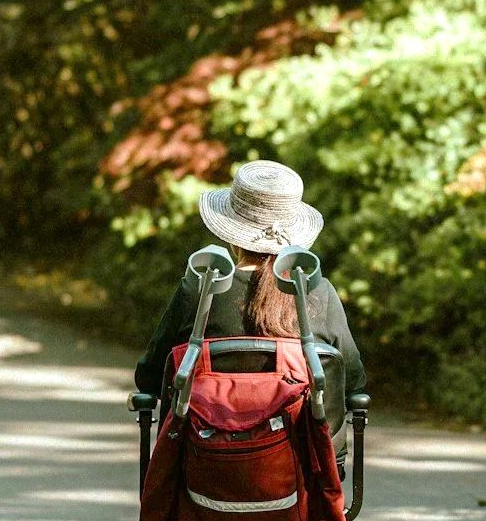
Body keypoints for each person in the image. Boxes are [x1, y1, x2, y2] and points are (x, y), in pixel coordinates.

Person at [133, 160, 365, 448]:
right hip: (301, 462)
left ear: (232, 235)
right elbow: (353, 383)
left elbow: (150, 377)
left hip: (202, 459)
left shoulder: (198, 290)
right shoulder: (319, 293)